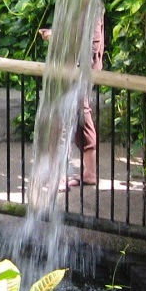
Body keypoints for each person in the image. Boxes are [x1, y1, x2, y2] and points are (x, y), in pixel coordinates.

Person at [40, 14, 105, 188]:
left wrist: (56, 38)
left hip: (79, 69)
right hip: (78, 67)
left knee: (64, 117)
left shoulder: (90, 1)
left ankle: (60, 177)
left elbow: (90, 43)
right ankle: (88, 174)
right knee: (81, 114)